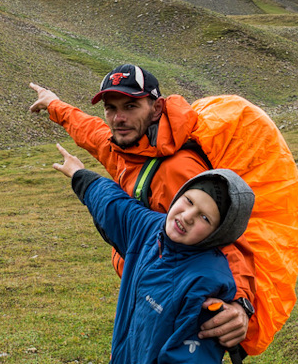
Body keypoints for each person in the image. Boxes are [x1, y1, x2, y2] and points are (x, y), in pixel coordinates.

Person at [29, 64, 256, 348]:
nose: (118, 118)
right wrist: (54, 105)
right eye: (110, 108)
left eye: (131, 106)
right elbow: (92, 132)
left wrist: (240, 304)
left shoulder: (176, 170)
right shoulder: (129, 148)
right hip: (143, 285)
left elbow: (226, 240)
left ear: (157, 108)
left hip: (170, 300)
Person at [52, 143, 255, 364]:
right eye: (188, 201)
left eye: (205, 218)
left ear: (217, 234)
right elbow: (111, 202)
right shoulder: (150, 227)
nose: (187, 216)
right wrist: (78, 173)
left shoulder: (205, 281)